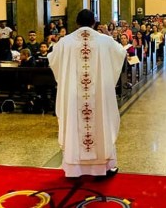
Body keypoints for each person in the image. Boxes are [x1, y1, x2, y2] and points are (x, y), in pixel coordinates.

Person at [48, 9, 126, 178]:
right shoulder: (105, 41)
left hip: (74, 95)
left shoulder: (65, 41)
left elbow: (52, 59)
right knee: (101, 123)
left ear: (76, 22)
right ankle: (101, 168)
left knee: (74, 124)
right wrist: (108, 35)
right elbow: (121, 53)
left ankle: (74, 170)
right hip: (98, 94)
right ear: (94, 22)